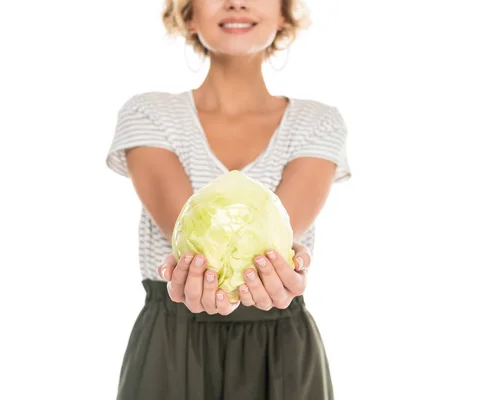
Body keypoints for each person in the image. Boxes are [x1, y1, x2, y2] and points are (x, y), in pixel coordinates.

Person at [105, 0, 352, 399]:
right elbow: (192, 241)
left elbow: (280, 239)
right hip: (172, 341)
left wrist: (273, 269)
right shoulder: (148, 114)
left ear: (284, 12)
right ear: (188, 13)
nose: (237, 2)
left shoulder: (318, 122)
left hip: (280, 347)